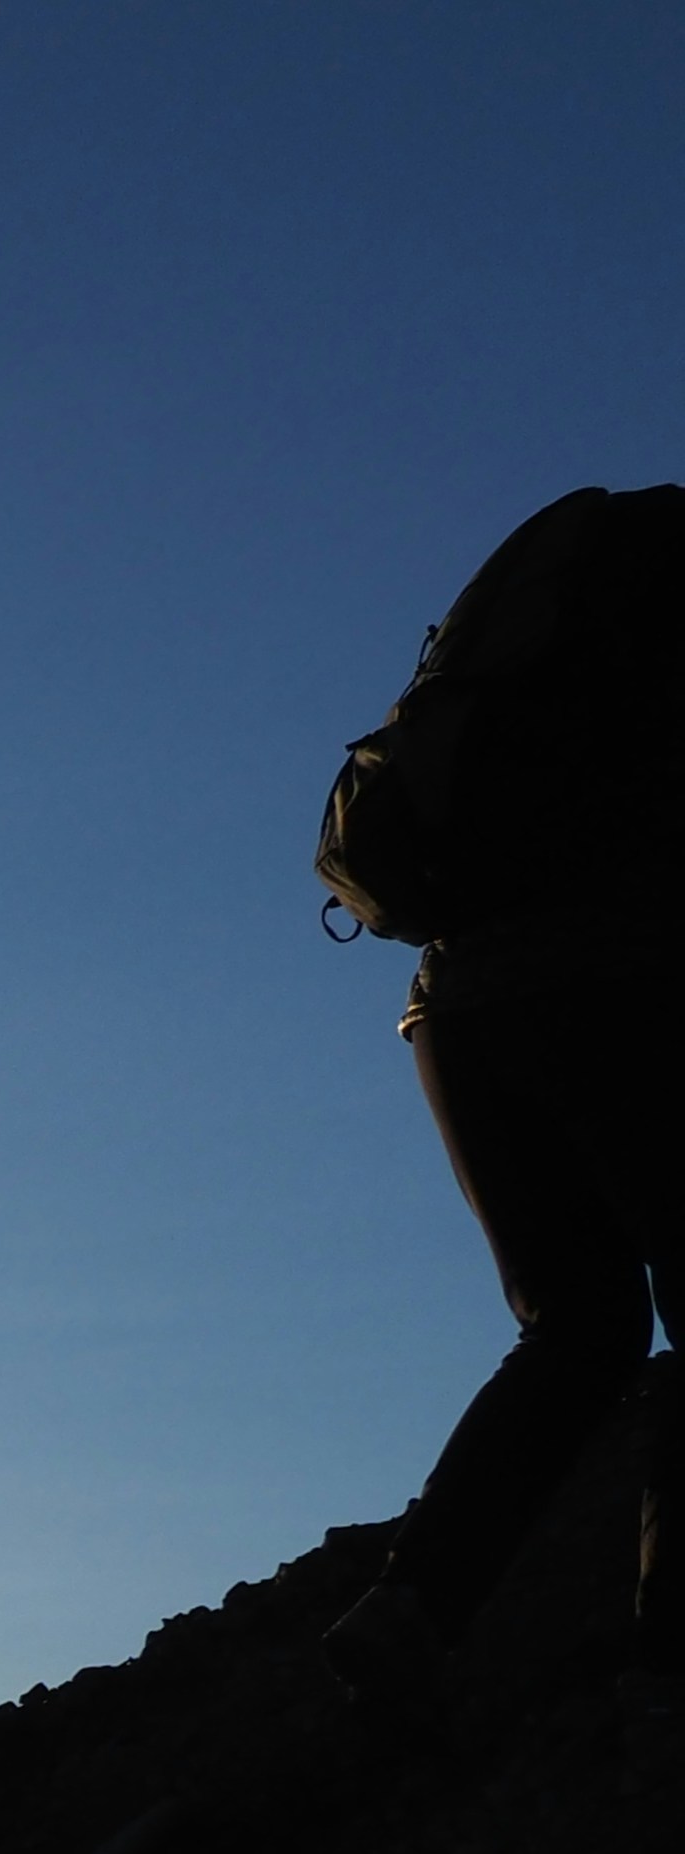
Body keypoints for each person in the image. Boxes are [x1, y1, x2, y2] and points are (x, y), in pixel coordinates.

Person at [315, 483, 684, 1718]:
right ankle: (672, 1648)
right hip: (613, 982)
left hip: (459, 1005)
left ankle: (412, 1609)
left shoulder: (561, 572)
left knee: (578, 1327)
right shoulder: (652, 592)